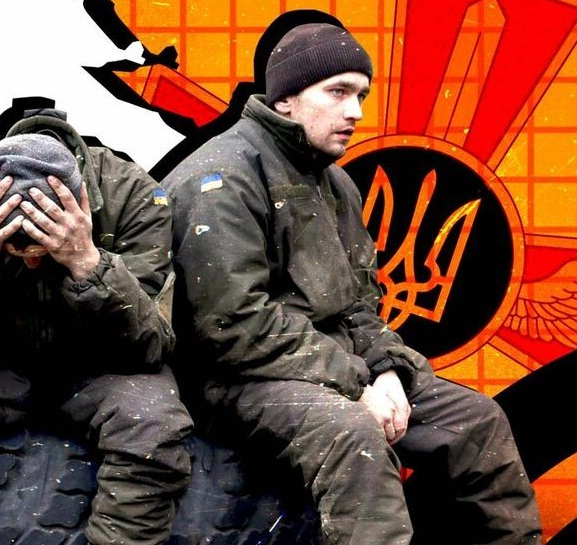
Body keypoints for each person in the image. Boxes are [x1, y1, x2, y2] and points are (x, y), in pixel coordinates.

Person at [161, 22, 542, 545]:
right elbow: (232, 326)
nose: (356, 112)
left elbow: (360, 304)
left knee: (477, 422)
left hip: (328, 367)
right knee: (357, 436)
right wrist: (356, 383)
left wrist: (387, 371)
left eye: (361, 94)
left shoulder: (335, 182)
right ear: (286, 98)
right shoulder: (220, 178)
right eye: (338, 92)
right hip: (234, 381)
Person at [0, 111, 193, 545]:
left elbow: (151, 347)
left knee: (153, 420)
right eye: (17, 248)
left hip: (97, 364)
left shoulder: (131, 193)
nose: (34, 262)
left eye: (42, 246)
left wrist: (87, 263)